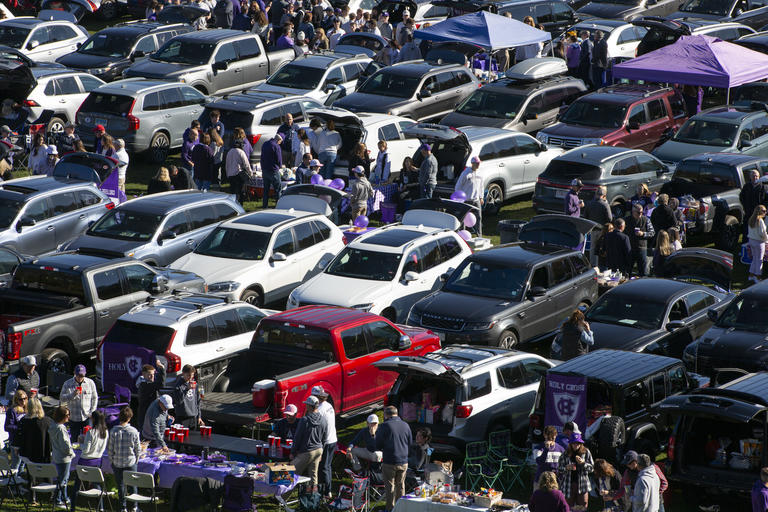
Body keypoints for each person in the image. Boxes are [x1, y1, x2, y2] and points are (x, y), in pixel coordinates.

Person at [70, 410, 108, 512]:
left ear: (94, 419)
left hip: (85, 460)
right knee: (97, 484)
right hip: (97, 460)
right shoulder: (105, 432)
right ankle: (101, 507)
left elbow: (86, 449)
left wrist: (80, 444)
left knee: (77, 485)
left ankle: (72, 507)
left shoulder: (91, 432)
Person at [376, 405, 412, 512]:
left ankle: (390, 509)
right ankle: (401, 509)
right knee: (401, 486)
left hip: (389, 461)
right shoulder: (406, 425)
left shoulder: (384, 426)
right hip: (403, 461)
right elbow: (410, 443)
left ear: (386, 414)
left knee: (390, 487)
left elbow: (377, 445)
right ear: (397, 413)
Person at [291, 395, 328, 492]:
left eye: (307, 405)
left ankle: (282, 497)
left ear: (310, 406)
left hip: (307, 451)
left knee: (291, 473)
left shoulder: (304, 420)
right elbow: (325, 438)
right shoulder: (323, 419)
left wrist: (293, 452)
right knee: (313, 475)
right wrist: (322, 451)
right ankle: (313, 498)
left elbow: (297, 437)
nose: (306, 406)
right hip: (318, 450)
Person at [109, 407, 142, 512]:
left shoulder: (113, 431)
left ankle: (123, 507)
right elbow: (138, 449)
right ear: (130, 418)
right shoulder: (134, 431)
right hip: (130, 462)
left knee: (121, 486)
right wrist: (136, 460)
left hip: (117, 462)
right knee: (133, 485)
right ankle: (134, 506)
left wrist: (112, 461)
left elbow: (110, 449)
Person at [59, 364, 99, 442]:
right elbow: (62, 398)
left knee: (88, 440)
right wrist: (72, 394)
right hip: (74, 418)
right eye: (78, 375)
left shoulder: (90, 383)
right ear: (74, 373)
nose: (80, 377)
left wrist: (92, 412)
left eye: (82, 375)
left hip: (86, 416)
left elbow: (95, 398)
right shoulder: (67, 384)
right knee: (74, 440)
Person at [557, 432, 594, 510]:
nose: (576, 445)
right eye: (574, 443)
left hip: (583, 485)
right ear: (570, 444)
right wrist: (566, 468)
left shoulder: (586, 452)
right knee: (568, 508)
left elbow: (592, 469)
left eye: (578, 443)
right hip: (568, 485)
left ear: (581, 443)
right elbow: (559, 469)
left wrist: (583, 463)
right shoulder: (565, 454)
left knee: (583, 507)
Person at [311, 386, 337, 498]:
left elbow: (319, 429)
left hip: (325, 441)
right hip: (333, 439)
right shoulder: (328, 405)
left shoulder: (320, 410)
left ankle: (327, 491)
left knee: (324, 467)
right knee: (327, 466)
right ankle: (327, 488)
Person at [49, 405, 74, 508]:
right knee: (63, 479)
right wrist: (71, 453)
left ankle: (64, 497)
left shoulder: (53, 426)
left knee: (62, 478)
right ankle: (58, 499)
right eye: (67, 415)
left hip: (57, 455)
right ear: (62, 416)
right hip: (64, 457)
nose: (69, 417)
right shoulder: (61, 428)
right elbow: (65, 445)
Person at [455, 156, 484, 234]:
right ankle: (461, 234)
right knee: (463, 218)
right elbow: (458, 186)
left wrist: (481, 197)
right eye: (477, 163)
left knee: (479, 217)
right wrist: (459, 197)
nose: (478, 165)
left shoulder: (479, 174)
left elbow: (481, 186)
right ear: (472, 163)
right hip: (466, 200)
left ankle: (479, 235)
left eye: (479, 163)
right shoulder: (465, 173)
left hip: (476, 200)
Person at [625, 203, 655, 276]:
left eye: (642, 212)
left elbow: (652, 232)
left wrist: (643, 234)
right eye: (638, 212)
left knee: (643, 271)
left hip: (642, 248)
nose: (640, 214)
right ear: (633, 212)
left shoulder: (646, 220)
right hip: (630, 248)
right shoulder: (626, 220)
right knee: (627, 270)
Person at [136, 360, 165, 431]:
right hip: (145, 417)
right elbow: (161, 384)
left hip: (149, 415)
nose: (152, 376)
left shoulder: (148, 384)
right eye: (149, 374)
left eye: (153, 374)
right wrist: (162, 369)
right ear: (143, 374)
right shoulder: (144, 385)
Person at [172, 364, 204, 430]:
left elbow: (198, 401)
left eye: (192, 375)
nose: (190, 377)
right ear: (183, 373)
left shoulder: (194, 384)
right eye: (188, 375)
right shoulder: (178, 385)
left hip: (193, 416)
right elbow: (178, 401)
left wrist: (199, 416)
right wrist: (187, 389)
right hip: (182, 417)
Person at [5, 389, 27, 472]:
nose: (23, 401)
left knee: (22, 463)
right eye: (20, 399)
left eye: (25, 398)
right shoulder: (12, 410)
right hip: (15, 441)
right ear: (16, 400)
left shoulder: (27, 409)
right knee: (16, 464)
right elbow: (7, 427)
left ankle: (19, 481)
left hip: (25, 440)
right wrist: (20, 428)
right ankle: (13, 481)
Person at [260, 133, 283, 209]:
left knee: (266, 190)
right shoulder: (276, 146)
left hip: (265, 170)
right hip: (273, 170)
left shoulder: (265, 144)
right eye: (280, 141)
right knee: (278, 190)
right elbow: (279, 159)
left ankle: (264, 206)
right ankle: (279, 206)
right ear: (279, 140)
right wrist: (280, 166)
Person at [741, 168, 765, 241]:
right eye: (753, 176)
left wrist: (763, 210)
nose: (755, 178)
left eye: (756, 176)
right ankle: (745, 244)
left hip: (758, 213)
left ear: (759, 176)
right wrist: (745, 206)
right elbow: (742, 197)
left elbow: (765, 200)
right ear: (750, 177)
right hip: (748, 212)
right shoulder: (746, 186)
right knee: (746, 229)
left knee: (758, 229)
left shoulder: (762, 187)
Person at [226, 138, 252, 204]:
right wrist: (251, 173)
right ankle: (240, 206)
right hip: (238, 175)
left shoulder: (229, 152)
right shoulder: (241, 152)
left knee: (232, 193)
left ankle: (233, 206)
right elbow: (246, 164)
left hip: (230, 175)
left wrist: (227, 174)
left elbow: (227, 165)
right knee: (240, 192)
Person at [748, 204, 768, 283]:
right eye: (764, 211)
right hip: (759, 242)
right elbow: (762, 233)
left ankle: (751, 275)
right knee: (759, 260)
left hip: (751, 241)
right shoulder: (760, 221)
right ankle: (758, 277)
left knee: (754, 259)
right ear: (761, 212)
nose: (765, 212)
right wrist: (767, 239)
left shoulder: (751, 219)